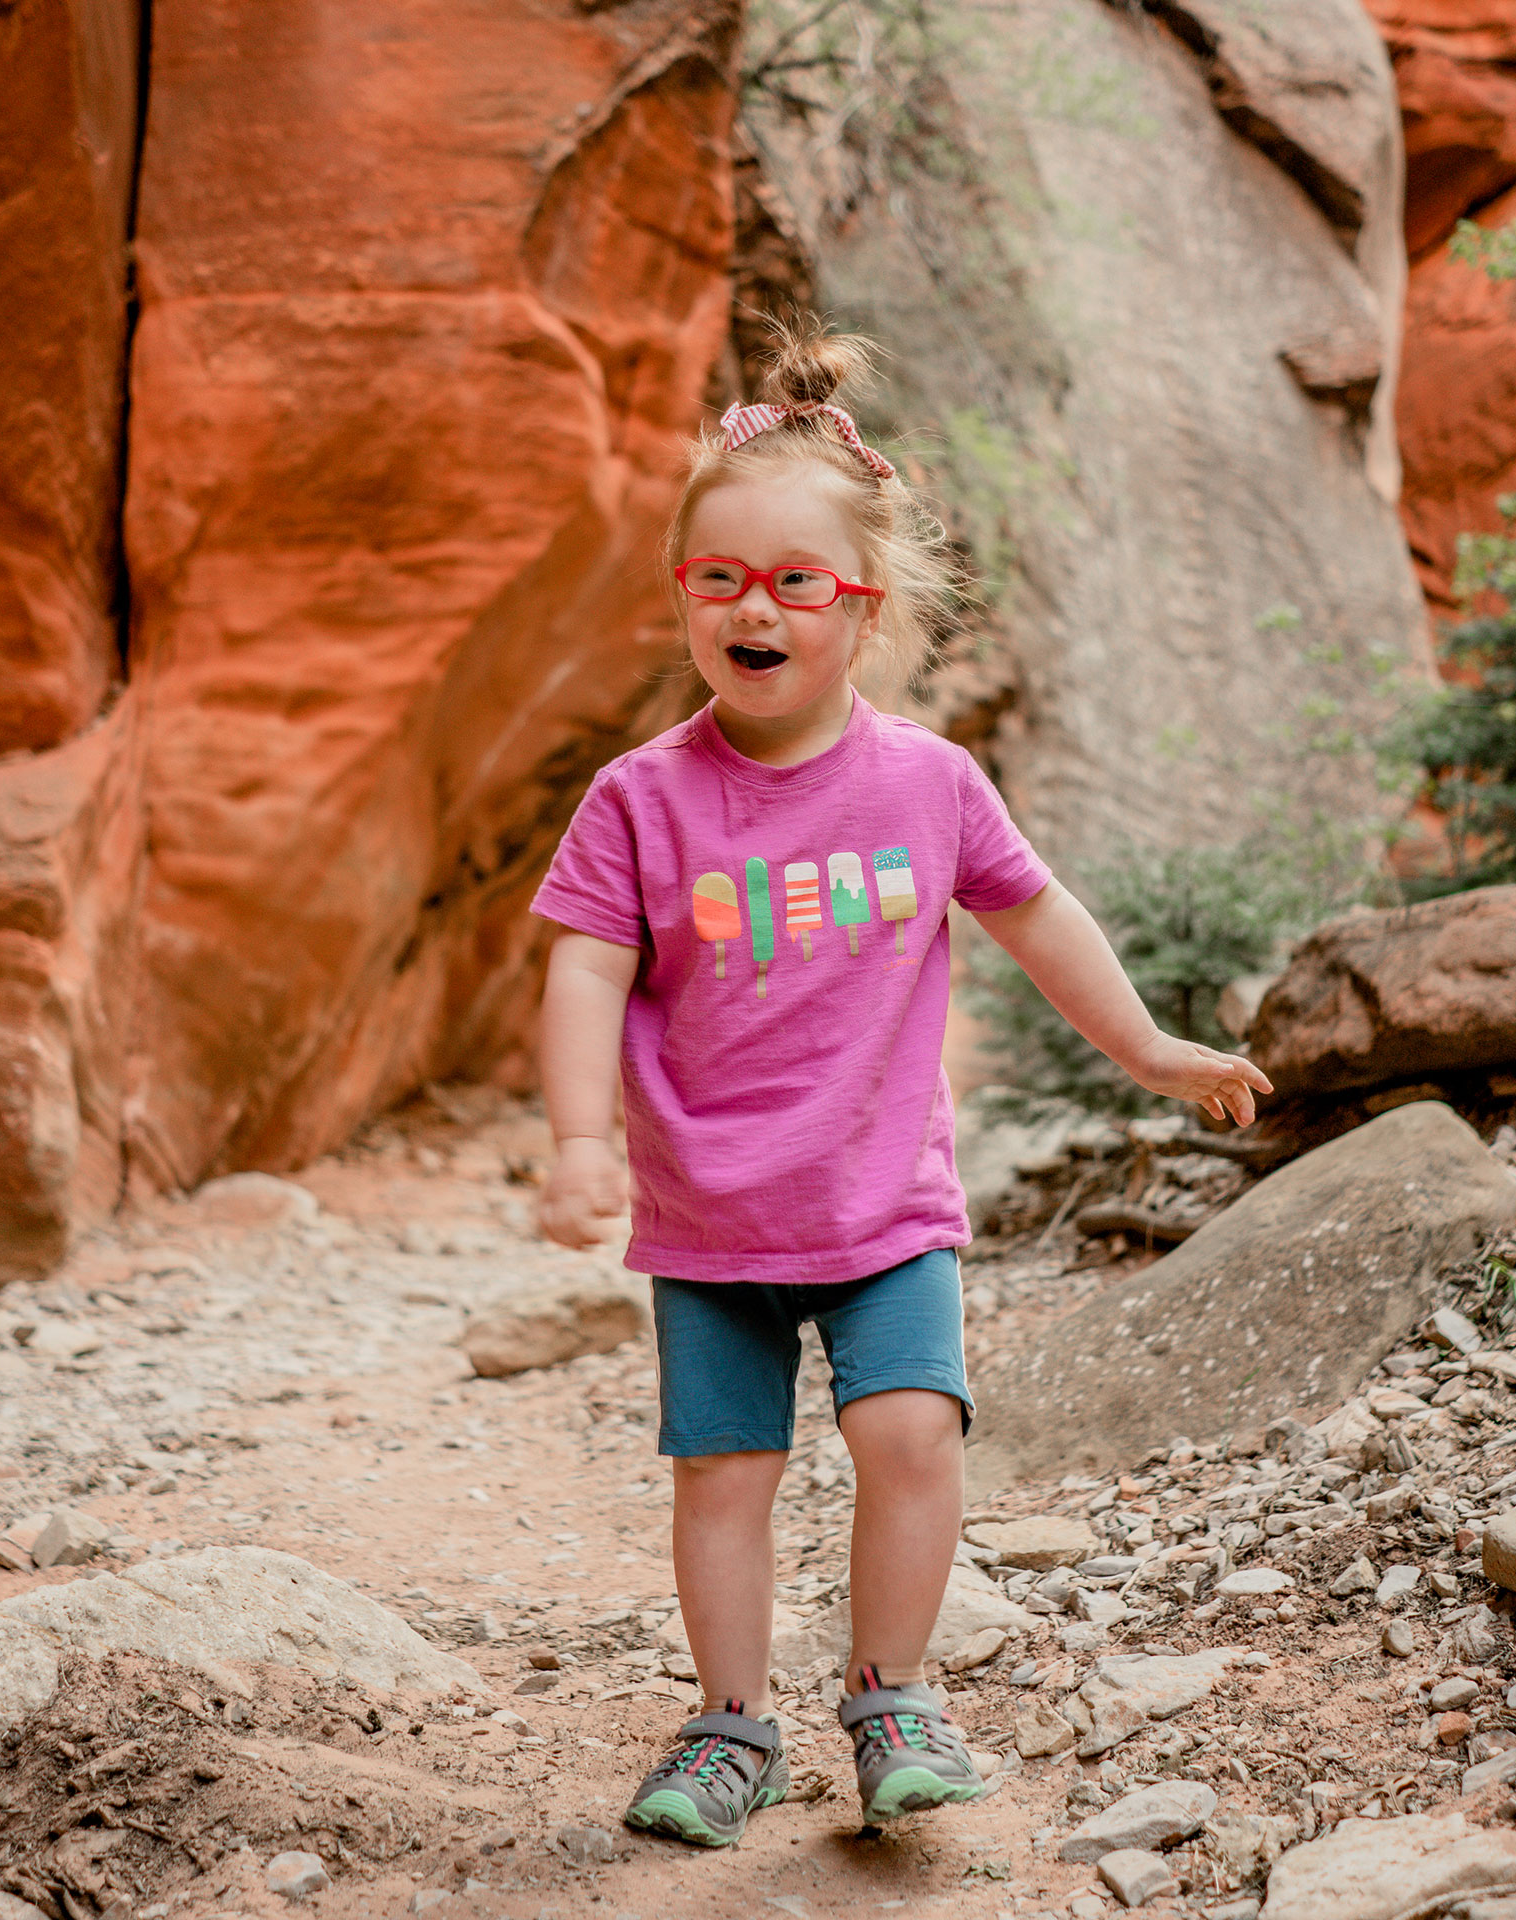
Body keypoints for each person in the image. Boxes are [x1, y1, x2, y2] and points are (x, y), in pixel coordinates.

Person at [529, 322, 1272, 1847]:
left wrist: (1148, 1048)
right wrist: (578, 1139)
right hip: (714, 1215)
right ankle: (734, 1727)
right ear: (685, 596)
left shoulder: (929, 784)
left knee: (912, 1435)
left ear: (863, 611)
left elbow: (1039, 918)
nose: (758, 606)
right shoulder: (640, 800)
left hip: (885, 1203)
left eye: (800, 580)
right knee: (724, 1474)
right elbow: (585, 968)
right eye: (722, 577)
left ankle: (894, 1698)